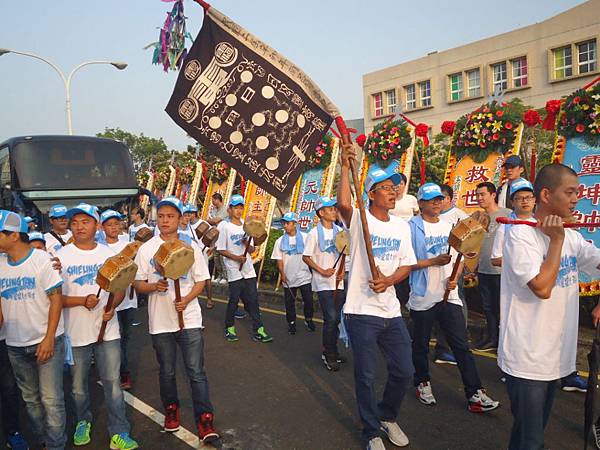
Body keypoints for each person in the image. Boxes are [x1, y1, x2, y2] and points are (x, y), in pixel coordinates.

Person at [499, 163, 600, 450]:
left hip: (554, 356)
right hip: (527, 358)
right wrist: (555, 241)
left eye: (577, 192)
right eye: (569, 192)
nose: (575, 199)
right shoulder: (520, 235)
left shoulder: (573, 236)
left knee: (528, 437)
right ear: (545, 194)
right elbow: (542, 287)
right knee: (531, 441)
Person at [337, 144, 416, 450]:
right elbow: (343, 201)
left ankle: (387, 415)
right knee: (366, 375)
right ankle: (370, 431)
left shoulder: (401, 226)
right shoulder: (359, 219)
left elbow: (407, 264)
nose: (392, 191)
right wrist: (345, 167)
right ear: (369, 193)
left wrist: (389, 280)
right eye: (384, 188)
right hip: (361, 311)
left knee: (404, 370)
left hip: (390, 311)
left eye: (394, 187)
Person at [134, 196, 219, 443]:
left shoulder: (190, 246)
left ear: (180, 218)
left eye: (170, 216)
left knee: (196, 371)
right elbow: (138, 284)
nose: (165, 220)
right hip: (160, 322)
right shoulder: (147, 249)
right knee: (167, 371)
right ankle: (171, 410)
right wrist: (153, 287)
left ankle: (205, 418)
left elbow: (201, 279)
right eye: (161, 216)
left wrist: (188, 298)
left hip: (189, 318)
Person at [408, 183, 500, 413]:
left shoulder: (451, 226)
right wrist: (432, 262)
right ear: (420, 203)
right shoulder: (410, 228)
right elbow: (404, 264)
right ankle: (422, 382)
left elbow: (460, 256)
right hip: (423, 296)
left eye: (439, 198)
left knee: (461, 345)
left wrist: (455, 276)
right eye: (431, 199)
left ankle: (474, 393)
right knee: (420, 344)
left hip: (450, 296)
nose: (437, 202)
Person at [58, 203, 138, 450]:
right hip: (75, 332)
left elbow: (121, 286)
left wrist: (112, 306)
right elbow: (54, 299)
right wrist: (81, 301)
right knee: (79, 387)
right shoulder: (60, 257)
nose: (79, 227)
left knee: (113, 383)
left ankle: (119, 431)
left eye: (85, 221)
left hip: (108, 330)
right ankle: (83, 421)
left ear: (96, 225)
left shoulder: (108, 255)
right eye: (75, 222)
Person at [0, 210, 66, 450]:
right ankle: (43, 441)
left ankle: (57, 445)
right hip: (15, 345)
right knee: (31, 400)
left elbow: (56, 300)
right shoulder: (0, 263)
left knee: (52, 400)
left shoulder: (42, 260)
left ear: (14, 234)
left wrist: (49, 338)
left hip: (46, 341)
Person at [217, 194, 273, 343]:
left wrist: (249, 247)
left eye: (241, 207)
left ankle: (259, 329)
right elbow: (221, 249)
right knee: (234, 300)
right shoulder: (224, 226)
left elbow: (252, 248)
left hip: (247, 268)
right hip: (233, 269)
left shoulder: (245, 225)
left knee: (253, 299)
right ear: (229, 209)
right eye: (235, 207)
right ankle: (229, 328)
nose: (238, 210)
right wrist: (236, 258)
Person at [303, 196, 347, 371]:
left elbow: (345, 253)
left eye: (335, 208)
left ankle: (333, 351)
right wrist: (321, 270)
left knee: (336, 320)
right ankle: (328, 354)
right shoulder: (314, 233)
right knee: (331, 318)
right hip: (322, 282)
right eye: (330, 209)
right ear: (321, 213)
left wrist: (342, 270)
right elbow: (306, 257)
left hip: (338, 282)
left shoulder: (340, 231)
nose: (334, 211)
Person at [101, 210, 138, 390]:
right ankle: (122, 373)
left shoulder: (129, 245)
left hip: (128, 300)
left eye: (116, 224)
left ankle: (120, 370)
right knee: (115, 338)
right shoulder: (99, 247)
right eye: (109, 224)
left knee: (125, 338)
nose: (114, 227)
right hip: (110, 302)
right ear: (102, 227)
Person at [474, 182, 510, 351]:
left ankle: (504, 342)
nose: (479, 198)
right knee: (487, 307)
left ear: (493, 195)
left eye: (483, 194)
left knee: (502, 308)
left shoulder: (507, 215)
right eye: (477, 195)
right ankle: (492, 338)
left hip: (501, 271)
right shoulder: (477, 218)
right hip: (483, 269)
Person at [271, 212, 315, 334]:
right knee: (289, 303)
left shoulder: (306, 238)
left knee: (309, 301)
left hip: (304, 276)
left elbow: (311, 255)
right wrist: (282, 274)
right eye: (284, 223)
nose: (285, 225)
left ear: (295, 224)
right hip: (289, 277)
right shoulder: (279, 241)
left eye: (288, 223)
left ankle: (308, 319)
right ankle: (291, 323)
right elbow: (279, 259)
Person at [491, 178, 536, 268]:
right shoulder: (505, 225)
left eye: (528, 197)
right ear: (512, 202)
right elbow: (495, 259)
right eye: (519, 198)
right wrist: (523, 263)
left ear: (534, 200)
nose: (525, 201)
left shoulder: (540, 223)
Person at [207, 193, 228, 284]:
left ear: (217, 199)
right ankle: (220, 275)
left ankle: (226, 277)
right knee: (216, 257)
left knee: (222, 256)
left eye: (213, 200)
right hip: (215, 236)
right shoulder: (214, 210)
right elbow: (211, 220)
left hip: (223, 235)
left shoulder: (225, 209)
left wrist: (205, 221)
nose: (212, 202)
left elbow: (215, 220)